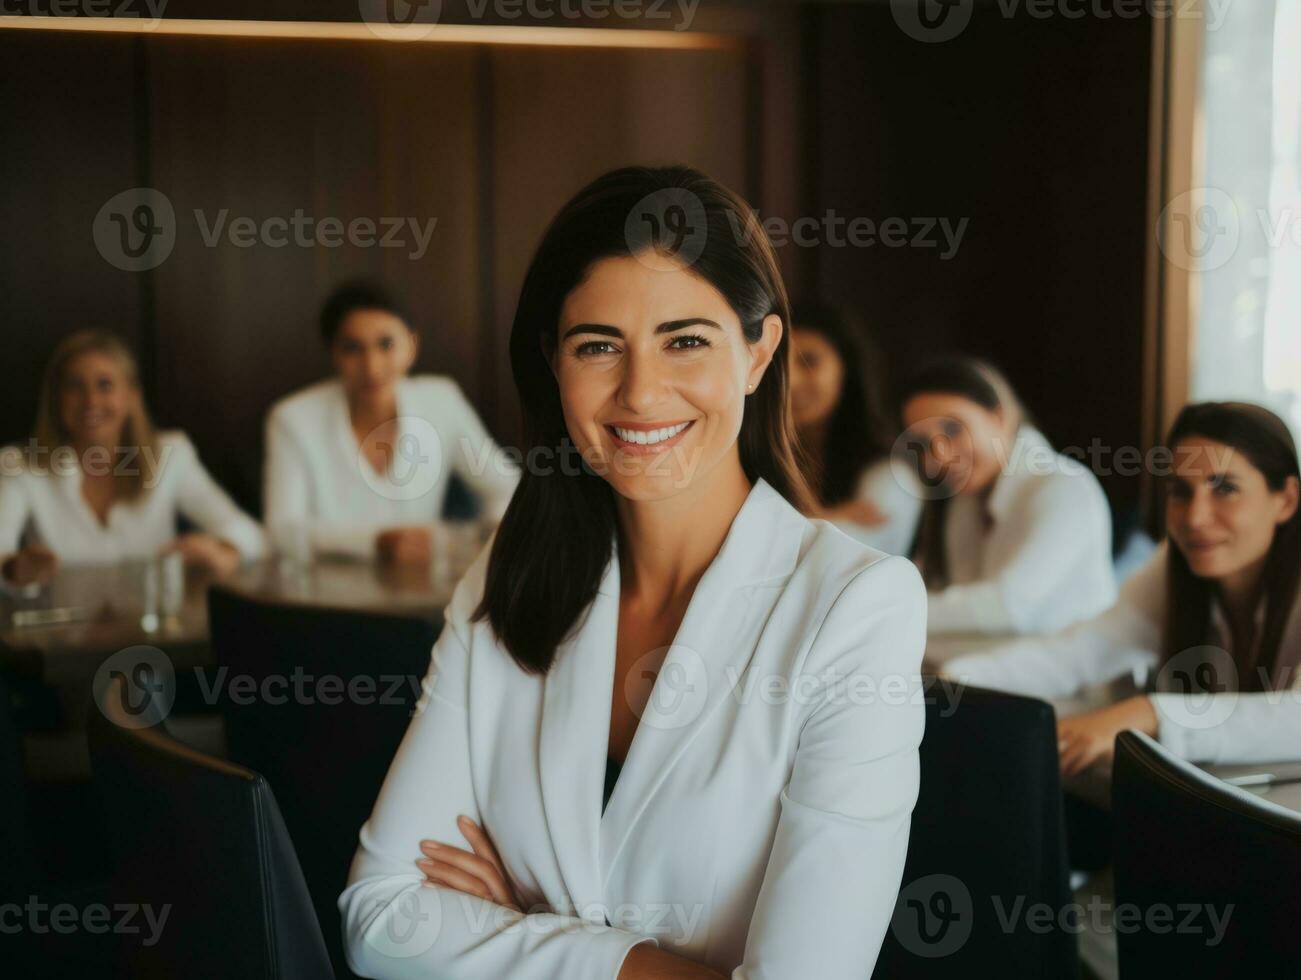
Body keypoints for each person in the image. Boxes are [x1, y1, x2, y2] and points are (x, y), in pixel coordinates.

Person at [339, 166, 926, 979]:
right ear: (553, 363)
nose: (641, 392)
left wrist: (521, 927)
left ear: (757, 354)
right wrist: (613, 957)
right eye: (597, 346)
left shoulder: (856, 606)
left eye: (685, 340)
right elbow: (381, 922)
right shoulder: (508, 574)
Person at [944, 401, 1301, 771]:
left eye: (1225, 488)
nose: (1195, 517)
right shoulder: (1173, 566)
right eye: (1180, 491)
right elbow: (1082, 650)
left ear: (1287, 499)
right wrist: (954, 683)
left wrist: (1146, 713)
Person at [263, 281, 519, 564]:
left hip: (423, 591)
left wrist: (485, 535)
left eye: (386, 344)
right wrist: (374, 543)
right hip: (325, 596)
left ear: (412, 345)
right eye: (352, 348)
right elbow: (282, 530)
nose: (372, 366)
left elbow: (506, 485)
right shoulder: (293, 419)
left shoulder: (441, 400)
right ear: (333, 354)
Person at [0, 330, 264, 585]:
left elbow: (253, 537)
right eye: (74, 386)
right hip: (63, 629)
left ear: (131, 396)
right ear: (56, 399)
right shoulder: (19, 464)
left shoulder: (169, 455)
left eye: (105, 385)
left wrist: (224, 553)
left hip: (156, 626)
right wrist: (15, 569)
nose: (90, 400)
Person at [899, 355, 1116, 635]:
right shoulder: (963, 499)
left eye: (953, 429)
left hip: (1077, 675)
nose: (939, 457)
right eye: (923, 444)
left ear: (1000, 417)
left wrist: (891, 613)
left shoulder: (1064, 487)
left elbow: (1007, 609)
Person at [789, 301, 921, 555]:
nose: (791, 381)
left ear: (846, 370)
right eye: (777, 367)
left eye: (809, 361)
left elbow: (851, 555)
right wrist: (825, 517)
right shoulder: (754, 461)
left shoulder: (890, 473)